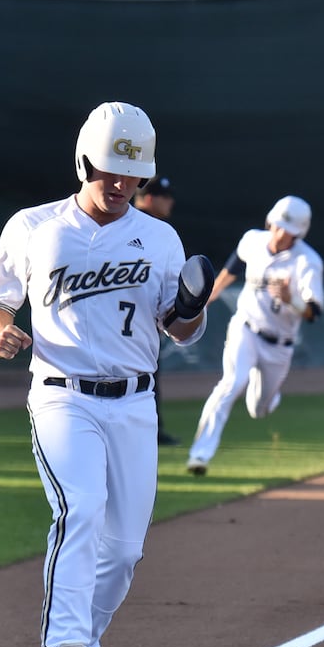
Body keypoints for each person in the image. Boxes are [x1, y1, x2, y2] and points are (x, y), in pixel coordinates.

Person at [0, 101, 212, 647]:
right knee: (79, 508)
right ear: (83, 161)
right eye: (108, 169)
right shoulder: (33, 227)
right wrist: (0, 331)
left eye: (131, 174)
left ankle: (83, 646)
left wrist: (191, 307)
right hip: (62, 396)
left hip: (135, 403)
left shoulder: (160, 238)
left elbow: (177, 331)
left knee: (126, 548)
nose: (118, 183)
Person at [185, 195, 324, 477]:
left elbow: (313, 313)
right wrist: (208, 298)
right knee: (231, 384)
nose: (281, 233)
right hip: (246, 328)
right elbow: (232, 269)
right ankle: (199, 456)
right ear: (270, 221)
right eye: (278, 225)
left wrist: (291, 299)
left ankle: (270, 398)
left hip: (279, 345)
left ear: (300, 233)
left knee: (258, 409)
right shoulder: (253, 241)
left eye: (289, 230)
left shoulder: (308, 262)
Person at [134, 175, 179, 445]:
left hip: (142, 321)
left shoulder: (159, 232)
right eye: (166, 197)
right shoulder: (143, 229)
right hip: (133, 323)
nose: (171, 202)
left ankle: (153, 431)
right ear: (150, 198)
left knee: (148, 377)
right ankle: (150, 433)